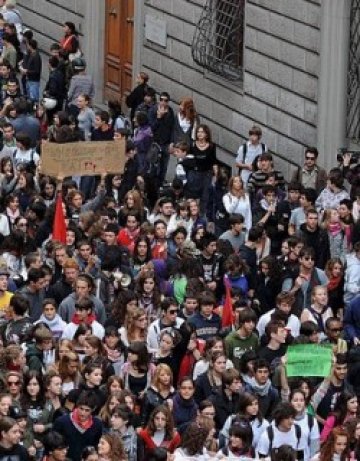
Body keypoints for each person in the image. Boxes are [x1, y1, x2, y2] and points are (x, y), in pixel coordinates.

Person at [53, 391, 103, 461]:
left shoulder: (97, 424)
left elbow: (96, 446)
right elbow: (53, 445)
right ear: (77, 406)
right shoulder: (61, 422)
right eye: (81, 408)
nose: (83, 413)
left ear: (93, 409)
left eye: (87, 410)